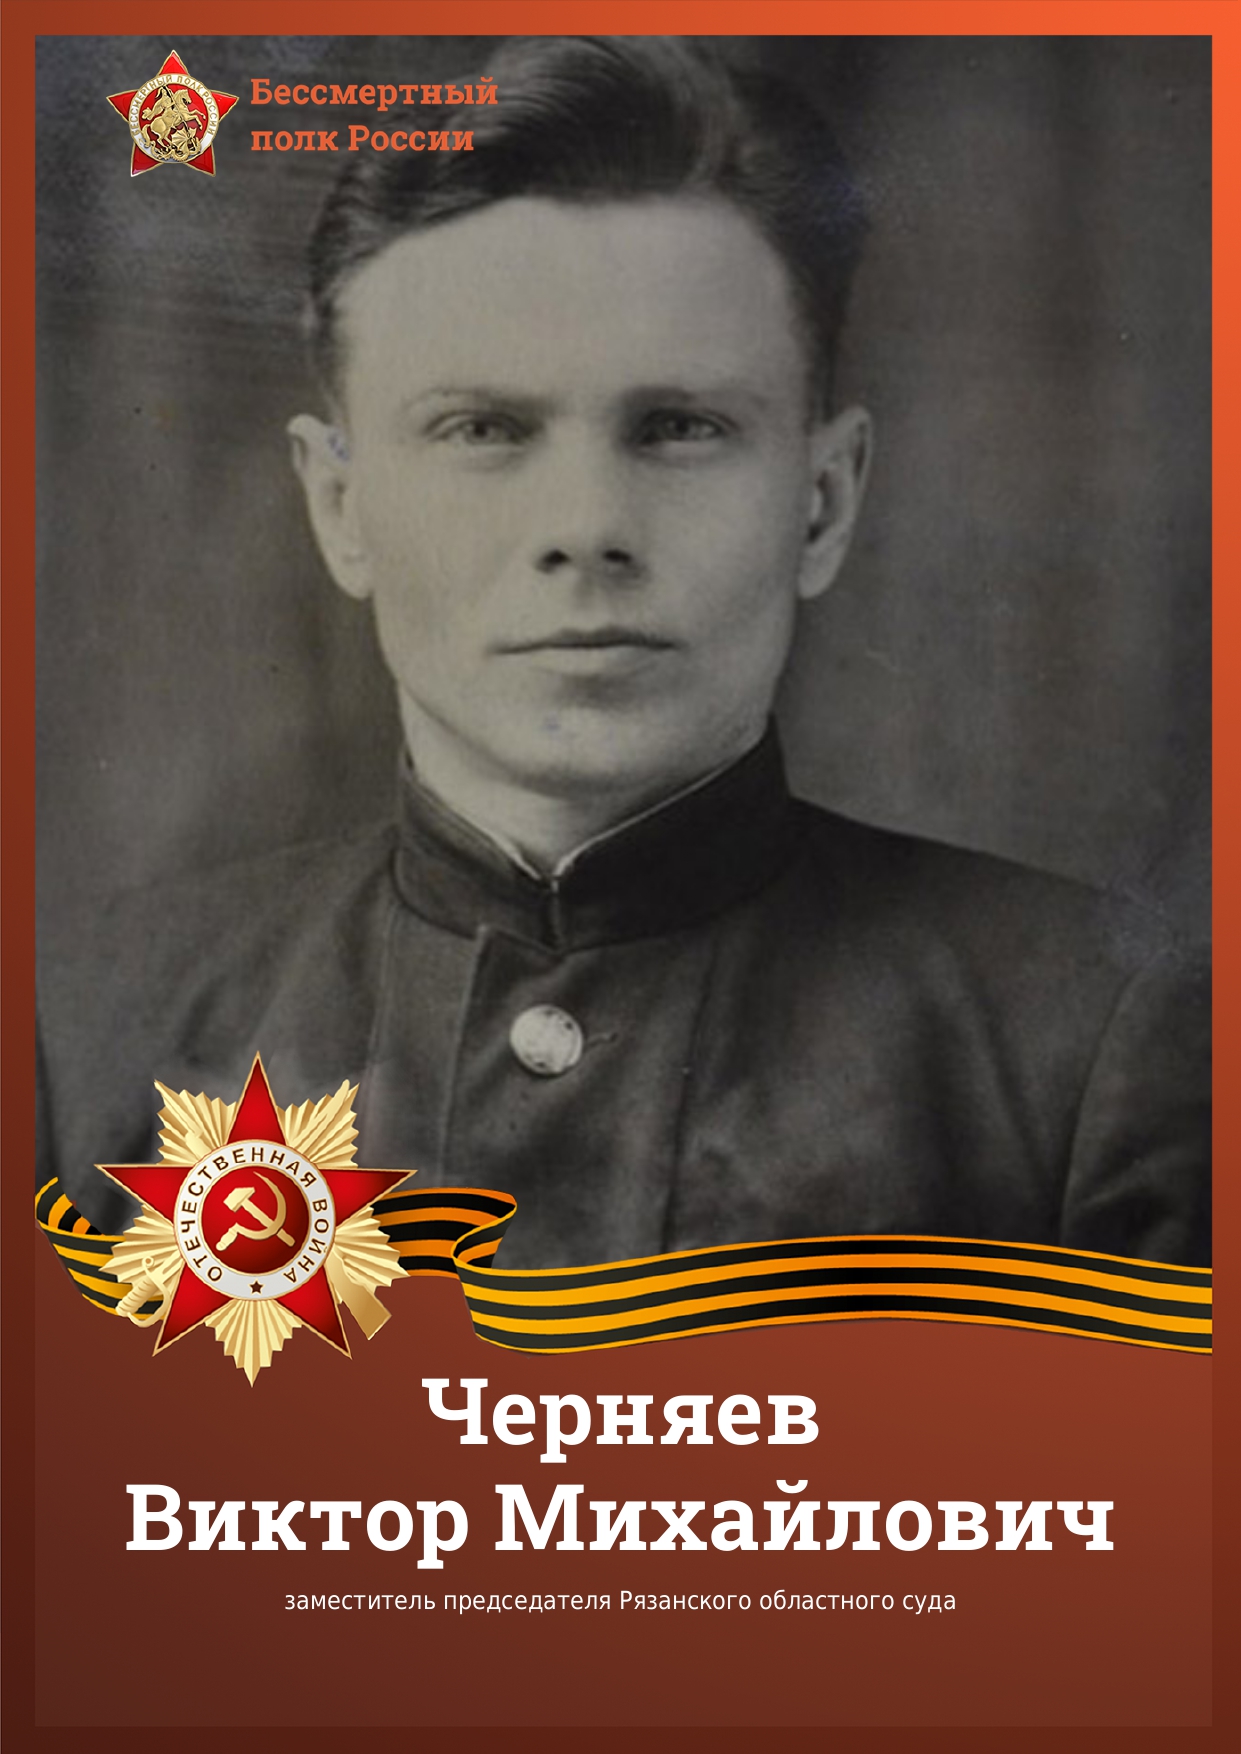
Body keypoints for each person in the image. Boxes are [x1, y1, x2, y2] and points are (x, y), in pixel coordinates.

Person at [37, 37, 1209, 1269]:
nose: (587, 527)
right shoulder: (81, 1036)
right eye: (482, 428)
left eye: (679, 427)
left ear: (821, 501)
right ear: (341, 508)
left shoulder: (1092, 1054)